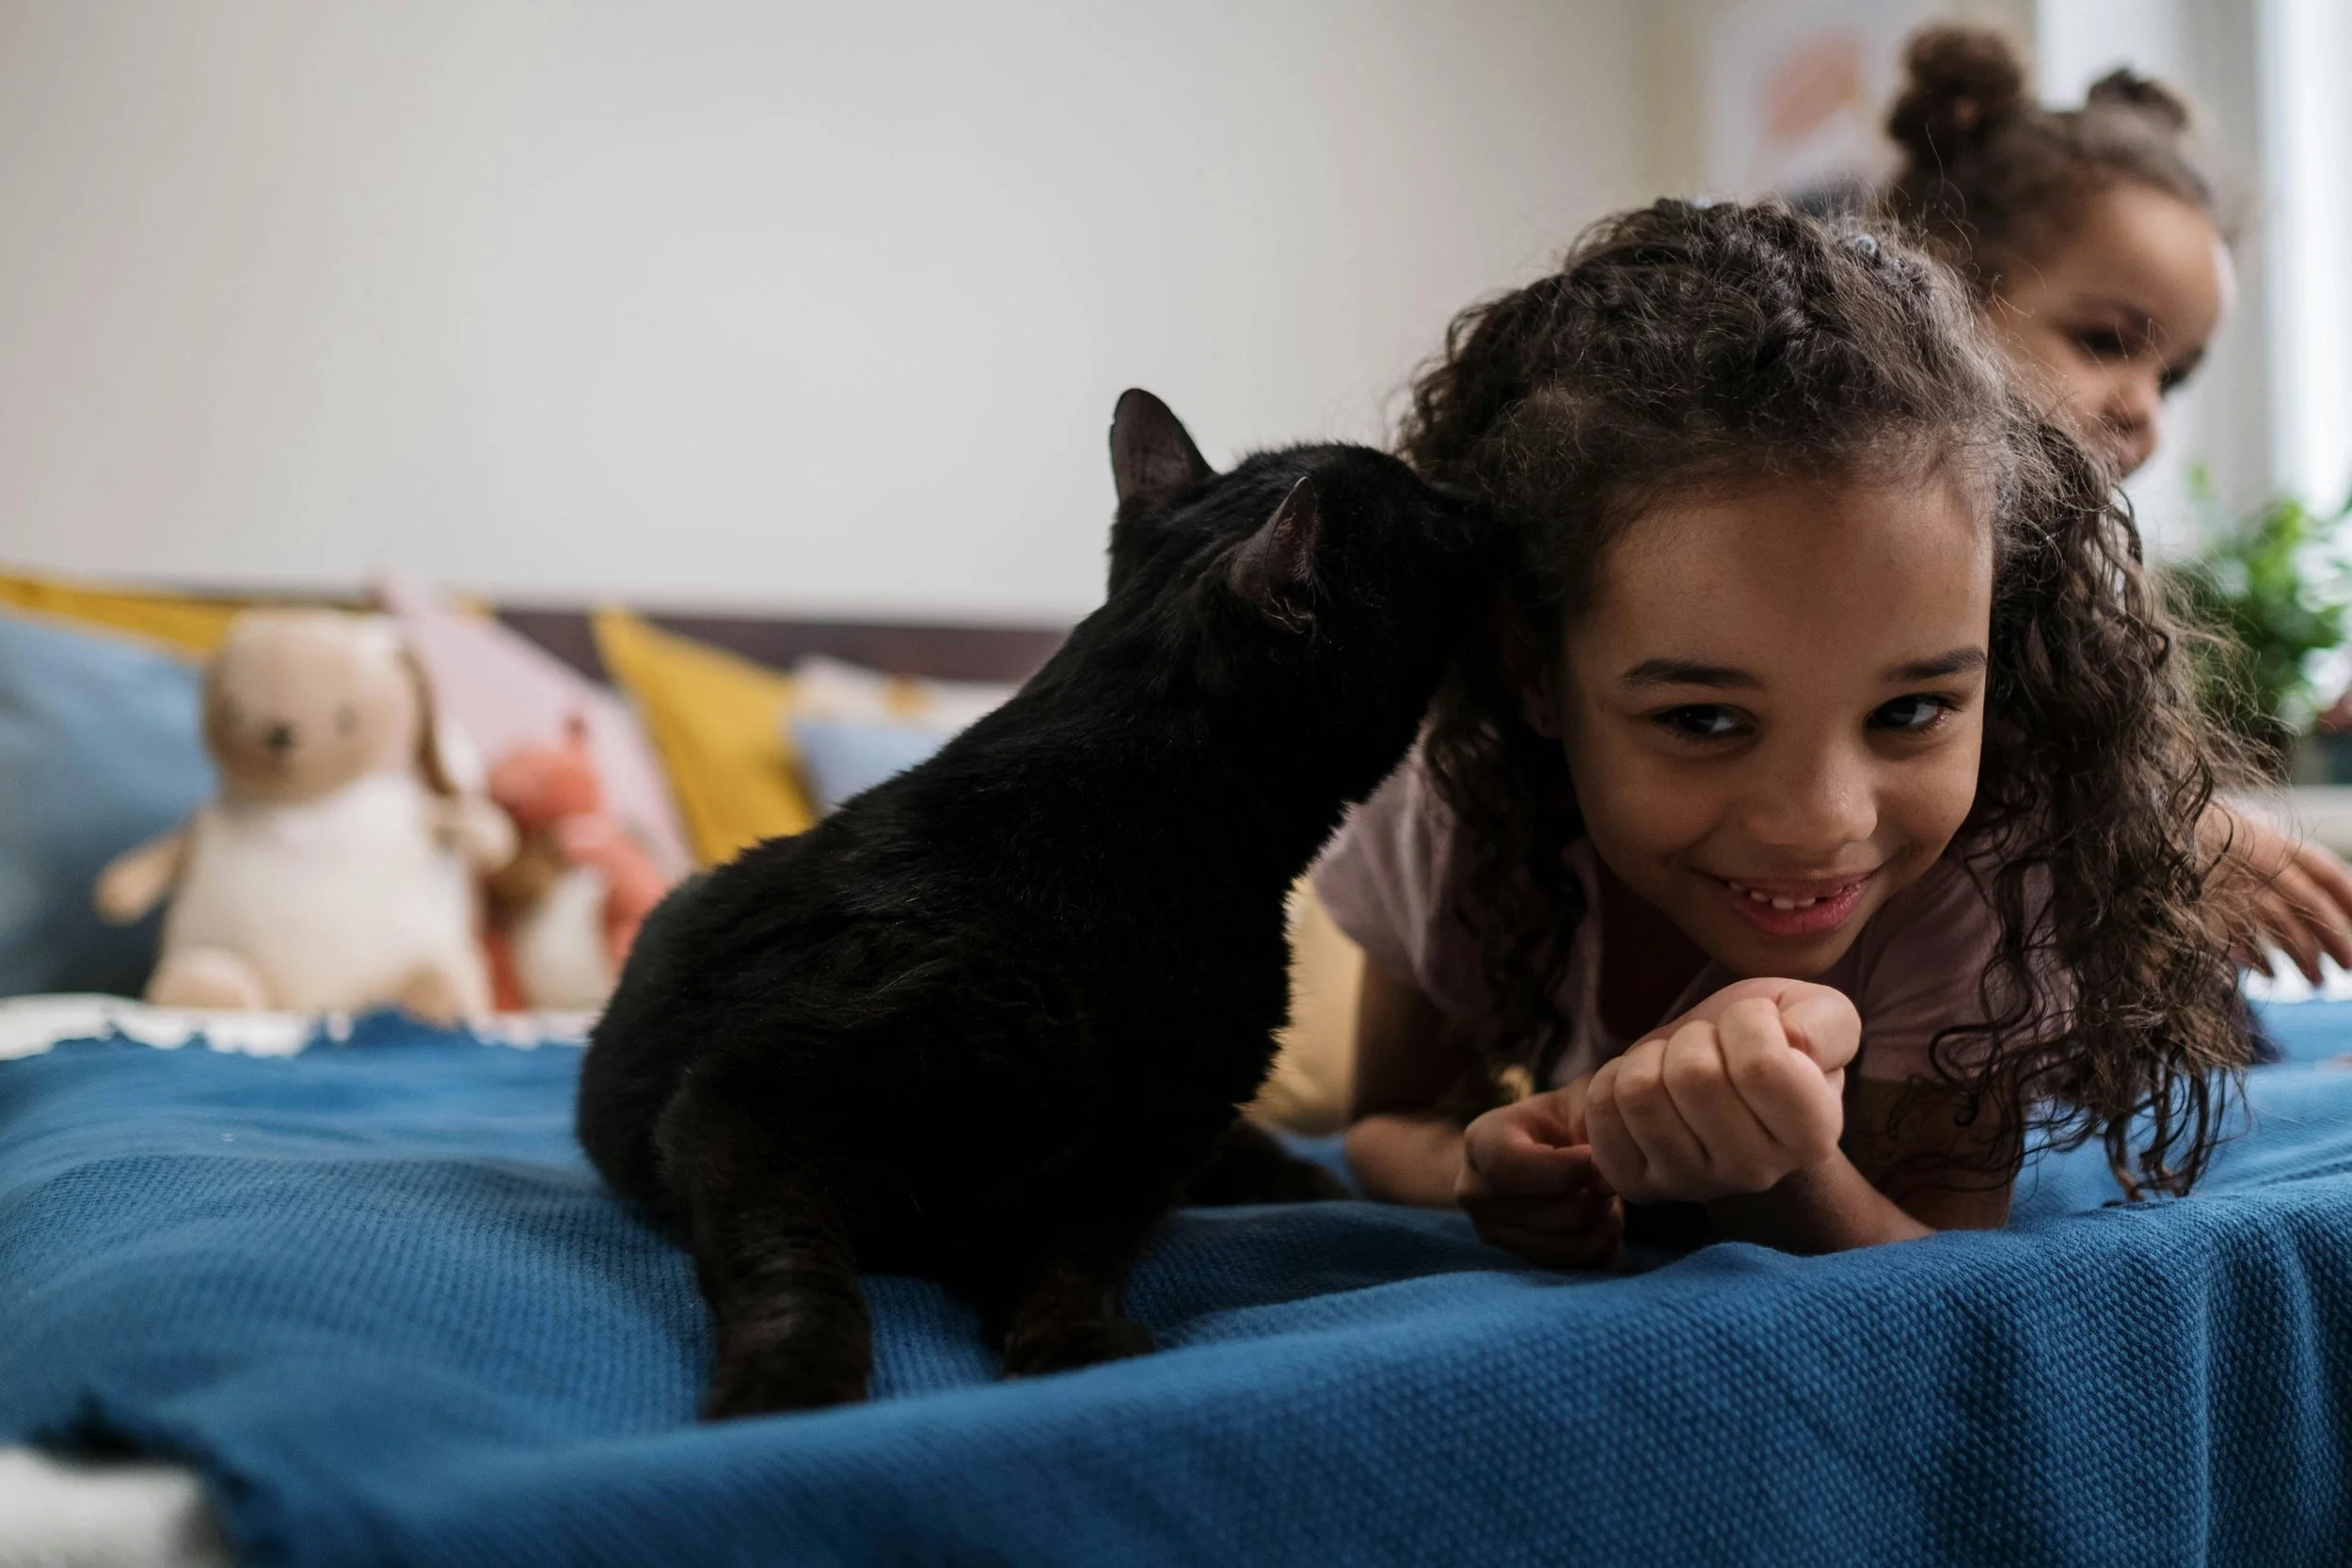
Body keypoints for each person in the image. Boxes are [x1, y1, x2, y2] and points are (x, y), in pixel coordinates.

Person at [1321, 198, 2254, 1264]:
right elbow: (1387, 1122)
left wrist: (1775, 1175)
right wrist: (1486, 1171)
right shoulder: (1452, 802)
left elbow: (1936, 1271)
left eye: (1909, 711)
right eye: (1703, 719)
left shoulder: (1986, 857)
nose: (1823, 821)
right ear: (1534, 672)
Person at [1881, 24, 2352, 982]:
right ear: (1946, 293)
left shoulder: (2064, 570)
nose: (2143, 406)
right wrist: (2164, 830)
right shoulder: (1877, 544)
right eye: (2103, 341)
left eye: (2171, 375)